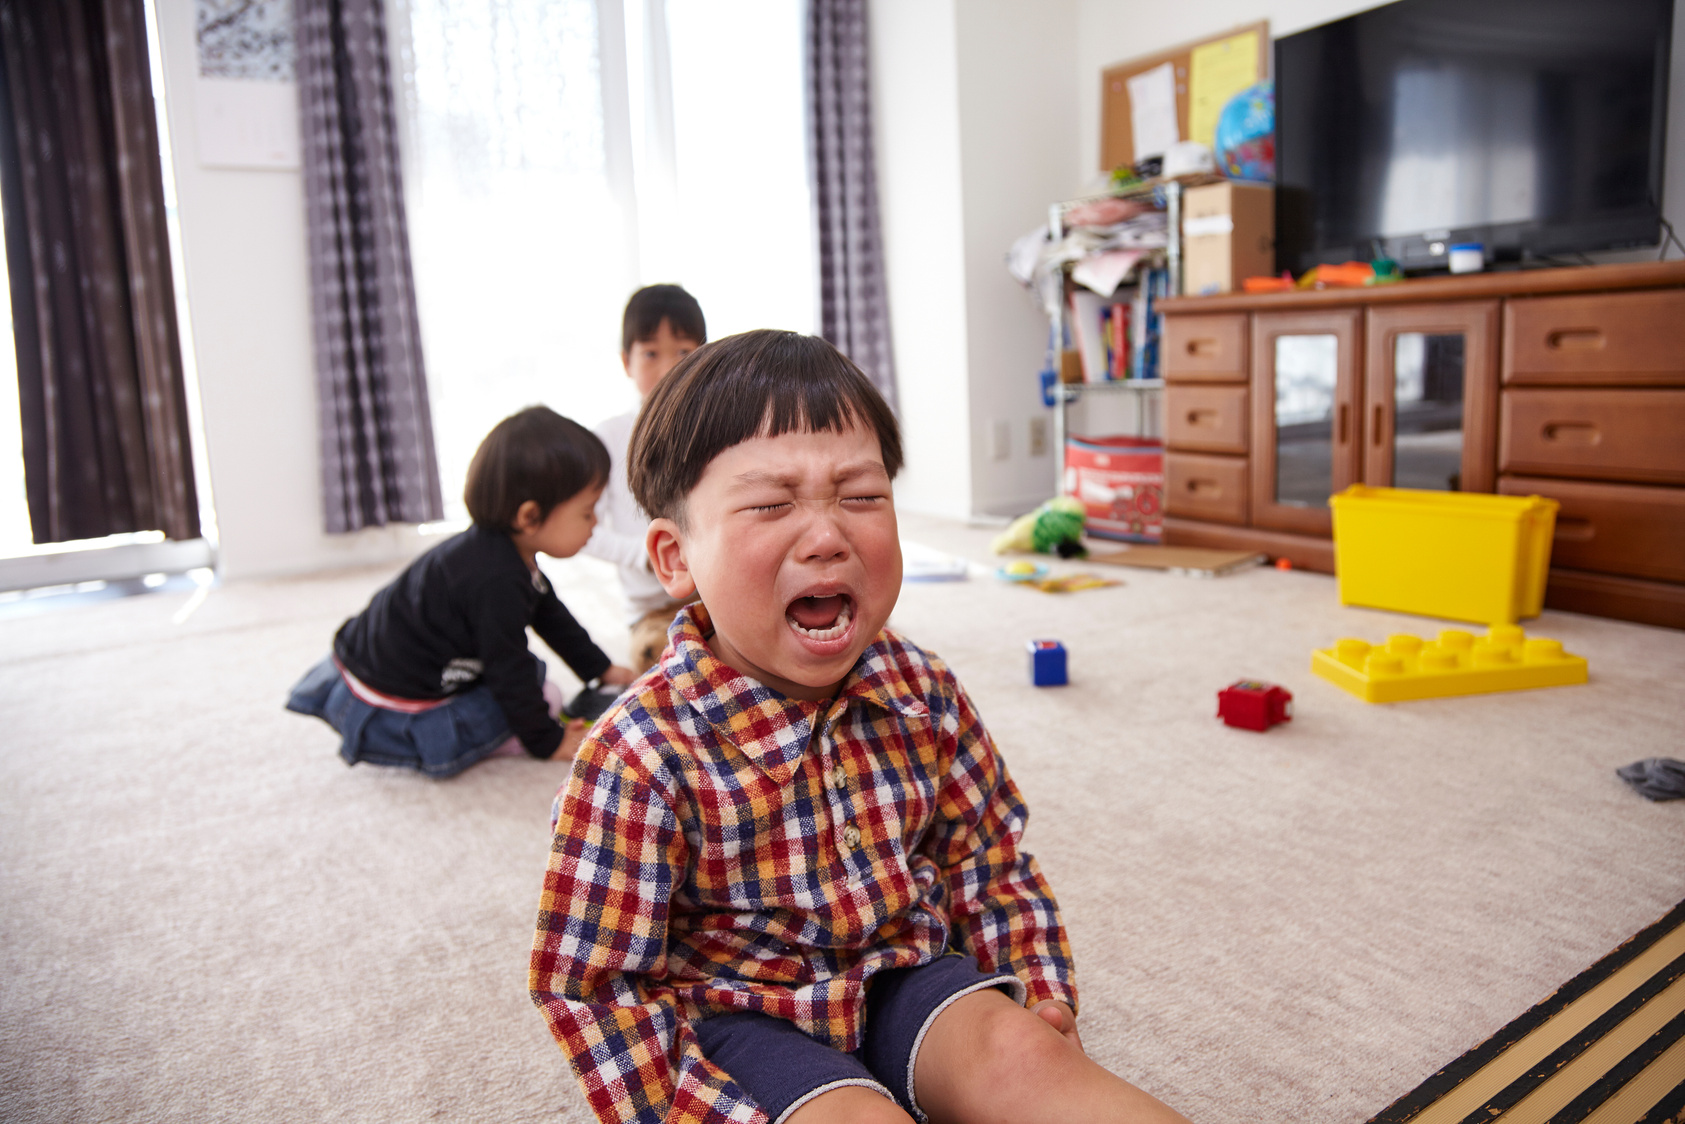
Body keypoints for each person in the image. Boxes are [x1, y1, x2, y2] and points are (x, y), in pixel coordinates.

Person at [530, 331, 1193, 1124]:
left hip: (902, 970)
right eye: (772, 504)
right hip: (739, 1010)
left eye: (862, 496)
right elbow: (593, 986)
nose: (826, 535)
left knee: (1025, 1060)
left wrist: (1040, 996)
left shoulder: (921, 689)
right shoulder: (637, 754)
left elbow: (987, 865)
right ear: (674, 559)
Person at [286, 406, 637, 779]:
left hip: (382, 663)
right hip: (393, 700)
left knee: (531, 679)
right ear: (530, 517)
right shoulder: (494, 580)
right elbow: (508, 666)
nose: (596, 522)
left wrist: (599, 668)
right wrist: (546, 742)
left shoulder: (506, 551)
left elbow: (550, 614)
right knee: (540, 693)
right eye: (587, 512)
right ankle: (495, 740)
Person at [583, 283, 706, 674]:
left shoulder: (715, 429)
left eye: (684, 352)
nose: (669, 367)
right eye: (651, 353)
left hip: (715, 595)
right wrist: (641, 553)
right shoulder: (610, 436)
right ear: (627, 361)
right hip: (651, 612)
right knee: (660, 663)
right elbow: (582, 531)